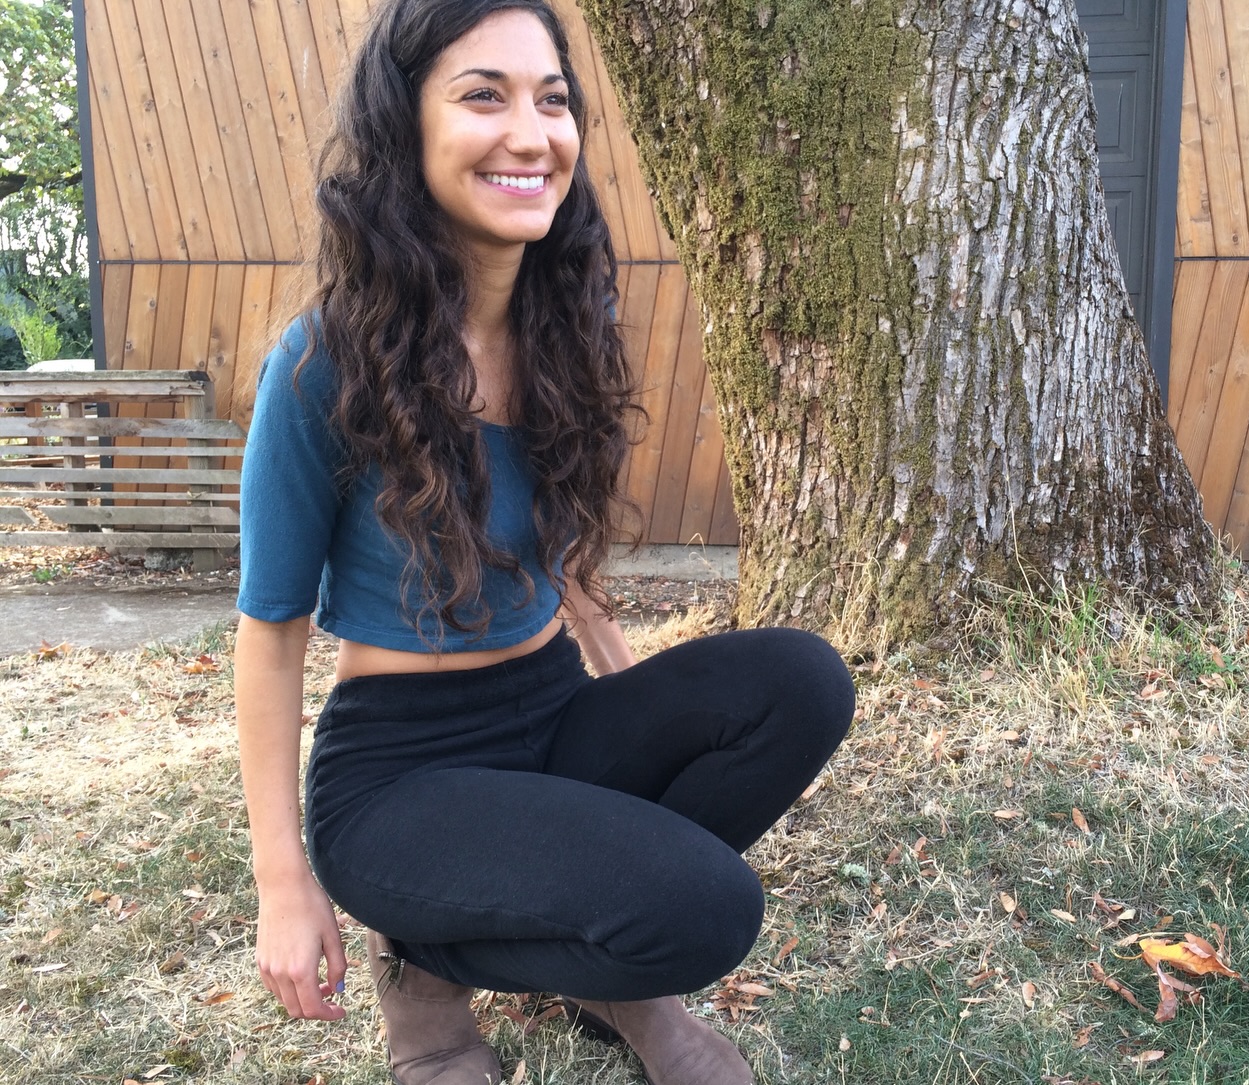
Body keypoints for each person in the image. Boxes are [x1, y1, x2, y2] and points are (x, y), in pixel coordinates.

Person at [233, 2, 855, 1083]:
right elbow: (271, 629)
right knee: (706, 907)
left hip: (551, 706)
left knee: (802, 682)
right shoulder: (322, 362)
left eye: (553, 100)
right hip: (399, 771)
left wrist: (635, 701)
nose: (531, 134)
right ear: (405, 127)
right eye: (484, 96)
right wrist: (283, 883)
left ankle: (599, 956)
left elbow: (555, 542)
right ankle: (424, 971)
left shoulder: (564, 321)